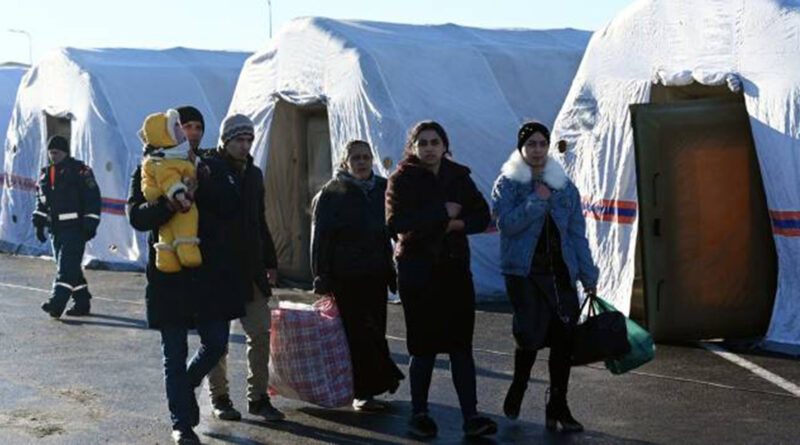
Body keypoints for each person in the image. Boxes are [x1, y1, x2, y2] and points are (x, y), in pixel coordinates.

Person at [127, 113, 245, 445]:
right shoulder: (149, 167)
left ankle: (187, 385)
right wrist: (170, 203)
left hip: (209, 276)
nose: (191, 132)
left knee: (216, 343)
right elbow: (136, 216)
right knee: (173, 354)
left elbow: (232, 205)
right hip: (169, 278)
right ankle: (181, 422)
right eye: (184, 126)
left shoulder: (210, 165)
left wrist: (201, 182)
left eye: (197, 127)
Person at [386, 121, 497, 438]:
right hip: (417, 270)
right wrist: (440, 213)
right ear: (413, 147)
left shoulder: (458, 176)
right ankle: (419, 413)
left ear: (444, 145)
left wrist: (455, 225)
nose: (429, 148)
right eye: (422, 143)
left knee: (461, 345)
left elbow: (481, 215)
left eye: (435, 142)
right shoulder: (401, 179)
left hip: (453, 269)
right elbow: (396, 222)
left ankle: (471, 416)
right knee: (423, 347)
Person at [491, 121, 599, 433]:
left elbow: (576, 234)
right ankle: (519, 384)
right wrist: (536, 200)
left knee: (564, 340)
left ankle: (558, 405)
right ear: (521, 148)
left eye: (542, 144)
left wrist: (588, 274)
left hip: (559, 272)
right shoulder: (508, 183)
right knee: (529, 335)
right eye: (531, 144)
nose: (537, 150)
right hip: (523, 273)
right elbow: (507, 225)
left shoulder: (563, 185)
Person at [311, 139, 404, 412]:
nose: (362, 162)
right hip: (346, 276)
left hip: (375, 273)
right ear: (346, 162)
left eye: (366, 157)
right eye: (356, 158)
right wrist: (321, 275)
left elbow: (391, 229)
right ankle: (362, 392)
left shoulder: (382, 188)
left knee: (376, 330)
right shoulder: (332, 192)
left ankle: (376, 383)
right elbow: (321, 238)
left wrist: (393, 269)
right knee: (357, 334)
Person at [204, 114, 285, 422]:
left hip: (251, 267)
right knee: (218, 341)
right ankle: (220, 397)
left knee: (260, 334)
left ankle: (259, 397)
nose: (245, 145)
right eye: (239, 139)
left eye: (249, 139)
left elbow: (259, 220)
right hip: (219, 269)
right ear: (226, 140)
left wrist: (270, 261)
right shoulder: (210, 169)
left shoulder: (254, 174)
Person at [34, 135, 101, 318]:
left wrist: (90, 223)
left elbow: (93, 198)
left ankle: (56, 304)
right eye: (50, 153)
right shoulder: (46, 174)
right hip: (56, 230)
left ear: (65, 152)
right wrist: (39, 222)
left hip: (75, 229)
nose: (53, 156)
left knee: (66, 268)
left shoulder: (80, 171)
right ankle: (82, 302)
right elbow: (41, 200)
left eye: (56, 152)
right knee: (71, 268)